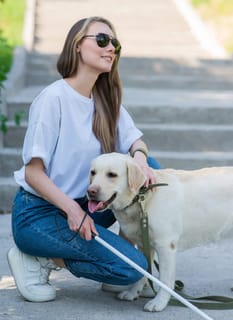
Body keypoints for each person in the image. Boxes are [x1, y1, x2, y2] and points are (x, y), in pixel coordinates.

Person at [7, 16, 160, 302]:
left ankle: (128, 251)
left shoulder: (105, 100)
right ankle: (42, 258)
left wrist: (139, 157)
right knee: (132, 270)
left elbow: (136, 142)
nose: (110, 48)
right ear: (77, 45)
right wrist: (73, 213)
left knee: (150, 169)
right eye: (102, 40)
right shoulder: (53, 98)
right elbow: (33, 173)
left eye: (115, 43)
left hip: (86, 204)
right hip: (40, 212)